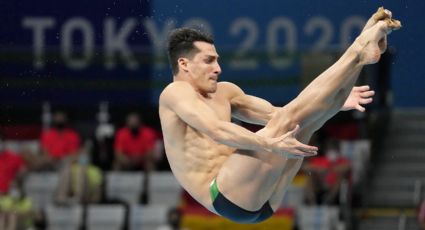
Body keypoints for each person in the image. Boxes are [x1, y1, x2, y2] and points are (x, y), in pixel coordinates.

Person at [159, 7, 401, 223]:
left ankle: (360, 59)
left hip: (261, 201)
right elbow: (217, 130)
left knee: (307, 121)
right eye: (209, 60)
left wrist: (333, 103)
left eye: (217, 60)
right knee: (289, 122)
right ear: (184, 64)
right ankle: (358, 48)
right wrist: (265, 141)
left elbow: (284, 114)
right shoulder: (175, 93)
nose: (218, 68)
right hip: (222, 195)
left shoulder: (226, 92)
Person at [303, 138, 351, 205]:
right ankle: (312, 202)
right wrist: (318, 169)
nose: (332, 151)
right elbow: (305, 166)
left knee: (341, 177)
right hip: (321, 183)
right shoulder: (321, 160)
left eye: (334, 149)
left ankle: (329, 200)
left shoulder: (342, 160)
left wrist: (329, 169)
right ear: (326, 150)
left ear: (338, 150)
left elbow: (348, 167)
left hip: (334, 186)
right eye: (330, 149)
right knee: (310, 176)